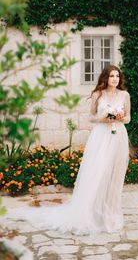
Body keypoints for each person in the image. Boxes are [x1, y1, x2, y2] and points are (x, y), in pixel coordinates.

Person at [7, 65, 130, 235]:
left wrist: (119, 117)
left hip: (118, 138)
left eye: (117, 76)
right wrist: (106, 117)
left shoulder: (125, 95)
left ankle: (110, 215)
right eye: (111, 76)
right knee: (97, 173)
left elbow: (128, 118)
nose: (115, 79)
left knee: (114, 177)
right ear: (105, 78)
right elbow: (91, 117)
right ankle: (91, 213)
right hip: (101, 137)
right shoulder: (98, 94)